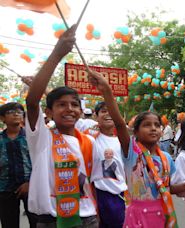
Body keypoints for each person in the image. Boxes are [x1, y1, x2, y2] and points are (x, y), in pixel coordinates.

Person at [87, 70, 185, 227]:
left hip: (163, 214)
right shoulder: (132, 153)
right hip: (137, 217)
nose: (153, 128)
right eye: (147, 125)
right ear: (136, 132)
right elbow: (120, 124)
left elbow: (168, 188)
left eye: (157, 125)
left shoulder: (167, 158)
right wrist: (107, 90)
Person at [25, 25, 98, 227]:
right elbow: (32, 102)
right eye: (61, 104)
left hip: (87, 218)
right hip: (53, 221)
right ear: (48, 113)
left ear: (81, 111)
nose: (69, 109)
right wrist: (57, 53)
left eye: (74, 104)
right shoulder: (42, 138)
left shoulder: (89, 141)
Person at [88, 101, 127, 228]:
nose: (108, 114)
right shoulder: (89, 138)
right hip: (98, 193)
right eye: (104, 111)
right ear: (96, 116)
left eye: (111, 111)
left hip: (120, 194)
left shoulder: (124, 140)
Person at [0, 102, 37, 228]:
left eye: (19, 112)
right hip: (5, 188)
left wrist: (30, 182)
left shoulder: (31, 138)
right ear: (2, 118)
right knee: (8, 223)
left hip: (31, 187)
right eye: (11, 112)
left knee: (36, 222)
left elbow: (39, 162)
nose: (16, 114)